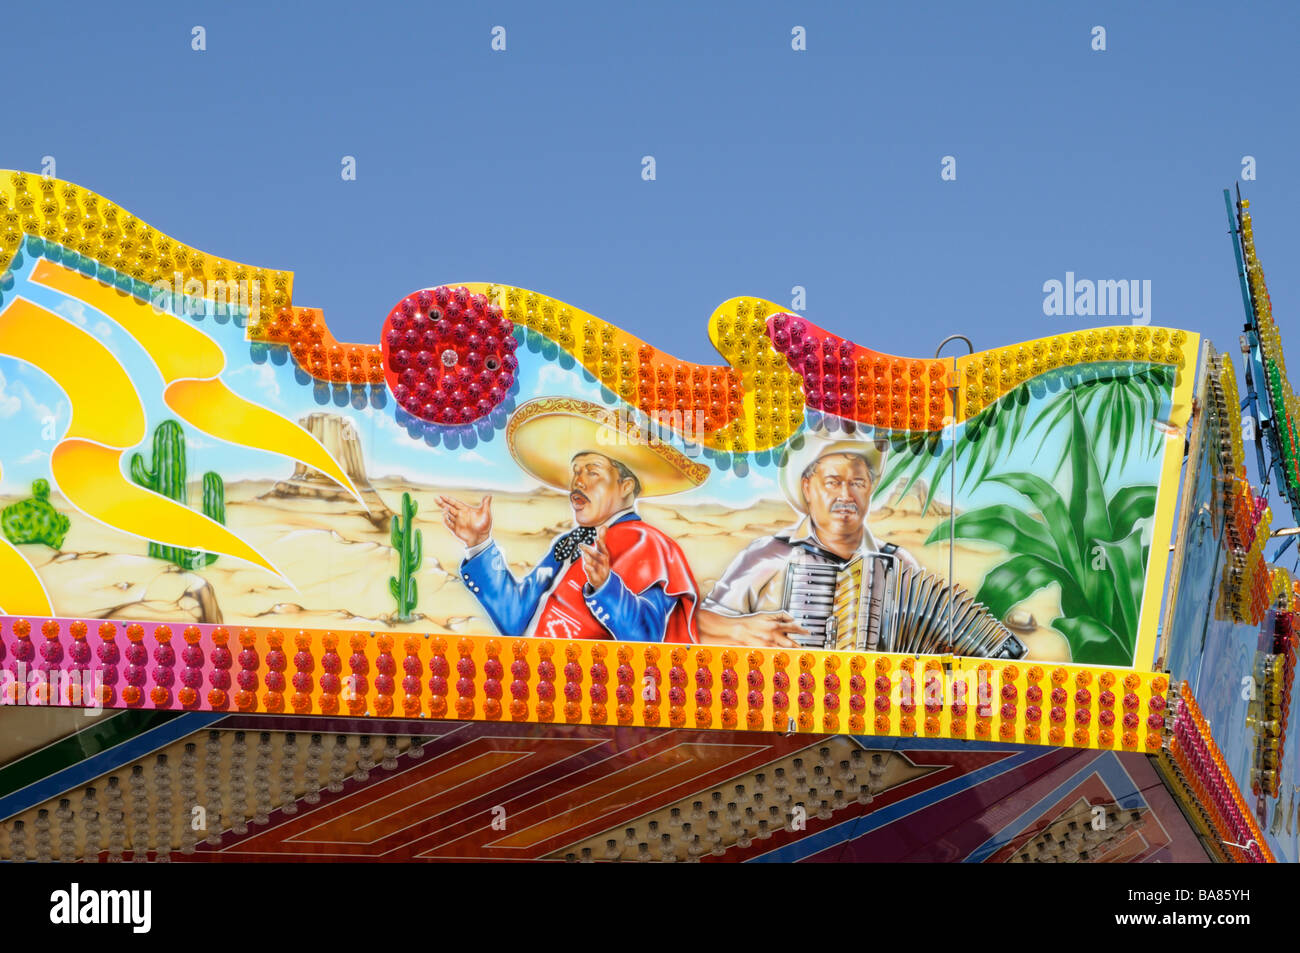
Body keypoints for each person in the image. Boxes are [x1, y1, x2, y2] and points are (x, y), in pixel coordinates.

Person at [440, 397, 708, 642]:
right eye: (576, 472)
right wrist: (478, 544)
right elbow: (515, 618)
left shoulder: (651, 545)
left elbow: (648, 637)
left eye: (592, 473)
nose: (578, 482)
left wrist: (606, 586)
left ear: (626, 486)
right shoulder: (569, 544)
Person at [697, 430, 920, 647]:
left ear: (869, 488)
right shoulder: (769, 555)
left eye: (857, 483)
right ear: (807, 487)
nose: (846, 495)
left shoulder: (900, 564)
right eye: (833, 482)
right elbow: (699, 624)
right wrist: (741, 631)